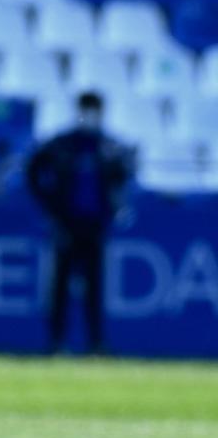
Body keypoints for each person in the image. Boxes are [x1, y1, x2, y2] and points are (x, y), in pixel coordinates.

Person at [26, 91, 135, 354]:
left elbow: (121, 178)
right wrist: (49, 206)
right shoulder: (62, 145)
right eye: (86, 109)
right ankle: (56, 342)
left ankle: (96, 343)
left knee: (95, 288)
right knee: (60, 287)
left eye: (94, 110)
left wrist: (114, 206)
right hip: (66, 223)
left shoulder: (109, 148)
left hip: (95, 226)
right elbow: (33, 170)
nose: (89, 116)